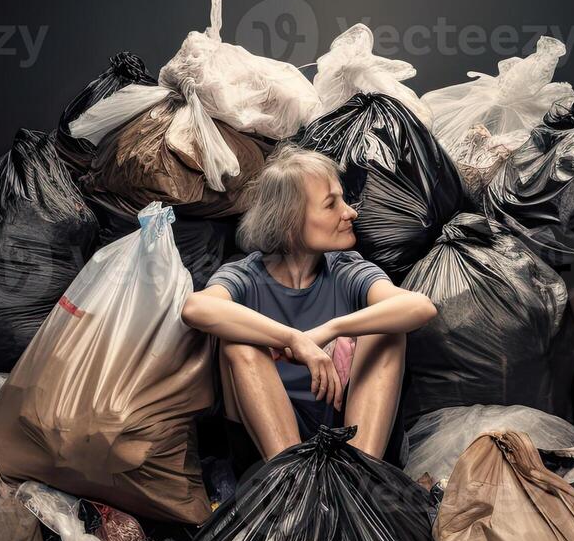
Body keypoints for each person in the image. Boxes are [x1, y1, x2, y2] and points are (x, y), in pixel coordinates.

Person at [180, 143, 437, 464]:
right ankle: (293, 482)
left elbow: (419, 307)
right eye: (331, 205)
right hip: (267, 453)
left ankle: (358, 474)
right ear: (289, 223)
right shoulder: (244, 276)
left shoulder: (347, 268)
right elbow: (195, 308)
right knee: (240, 345)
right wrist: (293, 339)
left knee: (386, 332)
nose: (350, 212)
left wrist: (329, 330)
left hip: (345, 436)